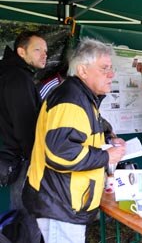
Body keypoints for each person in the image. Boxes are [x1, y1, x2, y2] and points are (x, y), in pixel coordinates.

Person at [23, 38, 126, 243]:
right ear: (83, 70)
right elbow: (60, 153)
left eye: (111, 68)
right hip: (60, 204)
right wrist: (106, 156)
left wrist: (109, 139)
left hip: (63, 202)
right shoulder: (71, 99)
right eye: (104, 68)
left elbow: (82, 132)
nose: (111, 74)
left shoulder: (81, 96)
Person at [0, 31, 47, 242]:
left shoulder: (10, 72)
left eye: (46, 51)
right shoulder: (19, 78)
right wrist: (37, 159)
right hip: (20, 160)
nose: (44, 55)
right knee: (27, 215)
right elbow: (25, 125)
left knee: (19, 216)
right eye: (37, 50)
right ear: (21, 51)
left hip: (9, 157)